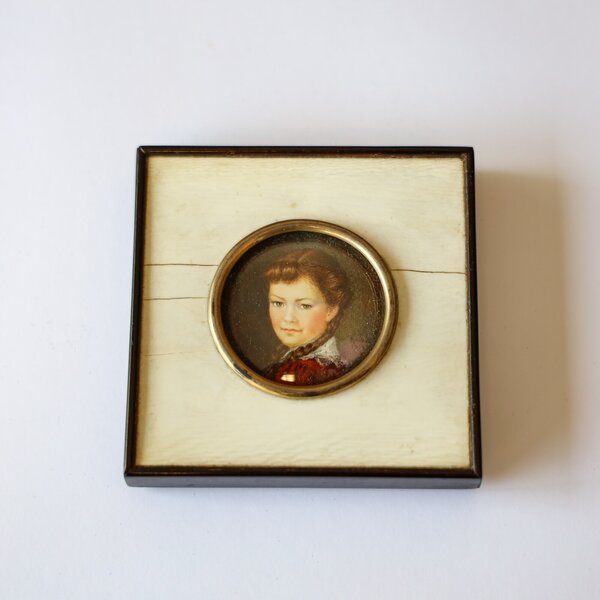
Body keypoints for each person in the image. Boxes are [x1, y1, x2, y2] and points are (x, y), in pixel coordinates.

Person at [264, 248, 350, 385]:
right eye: (278, 303)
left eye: (304, 305)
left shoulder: (304, 372)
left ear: (331, 310)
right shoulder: (303, 362)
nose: (288, 318)